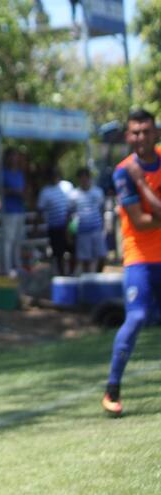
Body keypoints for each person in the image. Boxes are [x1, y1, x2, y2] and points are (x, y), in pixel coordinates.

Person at [102, 109, 161, 416]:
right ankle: (112, 390)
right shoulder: (123, 172)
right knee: (136, 318)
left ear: (156, 133)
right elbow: (140, 222)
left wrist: (145, 184)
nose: (141, 137)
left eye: (146, 131)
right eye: (135, 132)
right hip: (139, 258)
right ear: (128, 136)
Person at [36, 167, 73, 275]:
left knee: (73, 251)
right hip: (55, 227)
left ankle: (71, 272)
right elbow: (40, 210)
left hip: (69, 226)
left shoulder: (67, 186)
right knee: (58, 253)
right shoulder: (45, 192)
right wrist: (36, 227)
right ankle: (63, 275)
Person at [69, 167, 106, 274]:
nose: (84, 180)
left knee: (101, 255)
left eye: (86, 177)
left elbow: (102, 209)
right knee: (85, 259)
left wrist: (103, 226)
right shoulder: (73, 195)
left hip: (96, 229)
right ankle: (88, 279)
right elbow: (70, 215)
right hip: (82, 231)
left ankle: (97, 276)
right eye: (82, 178)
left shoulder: (98, 192)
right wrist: (71, 232)